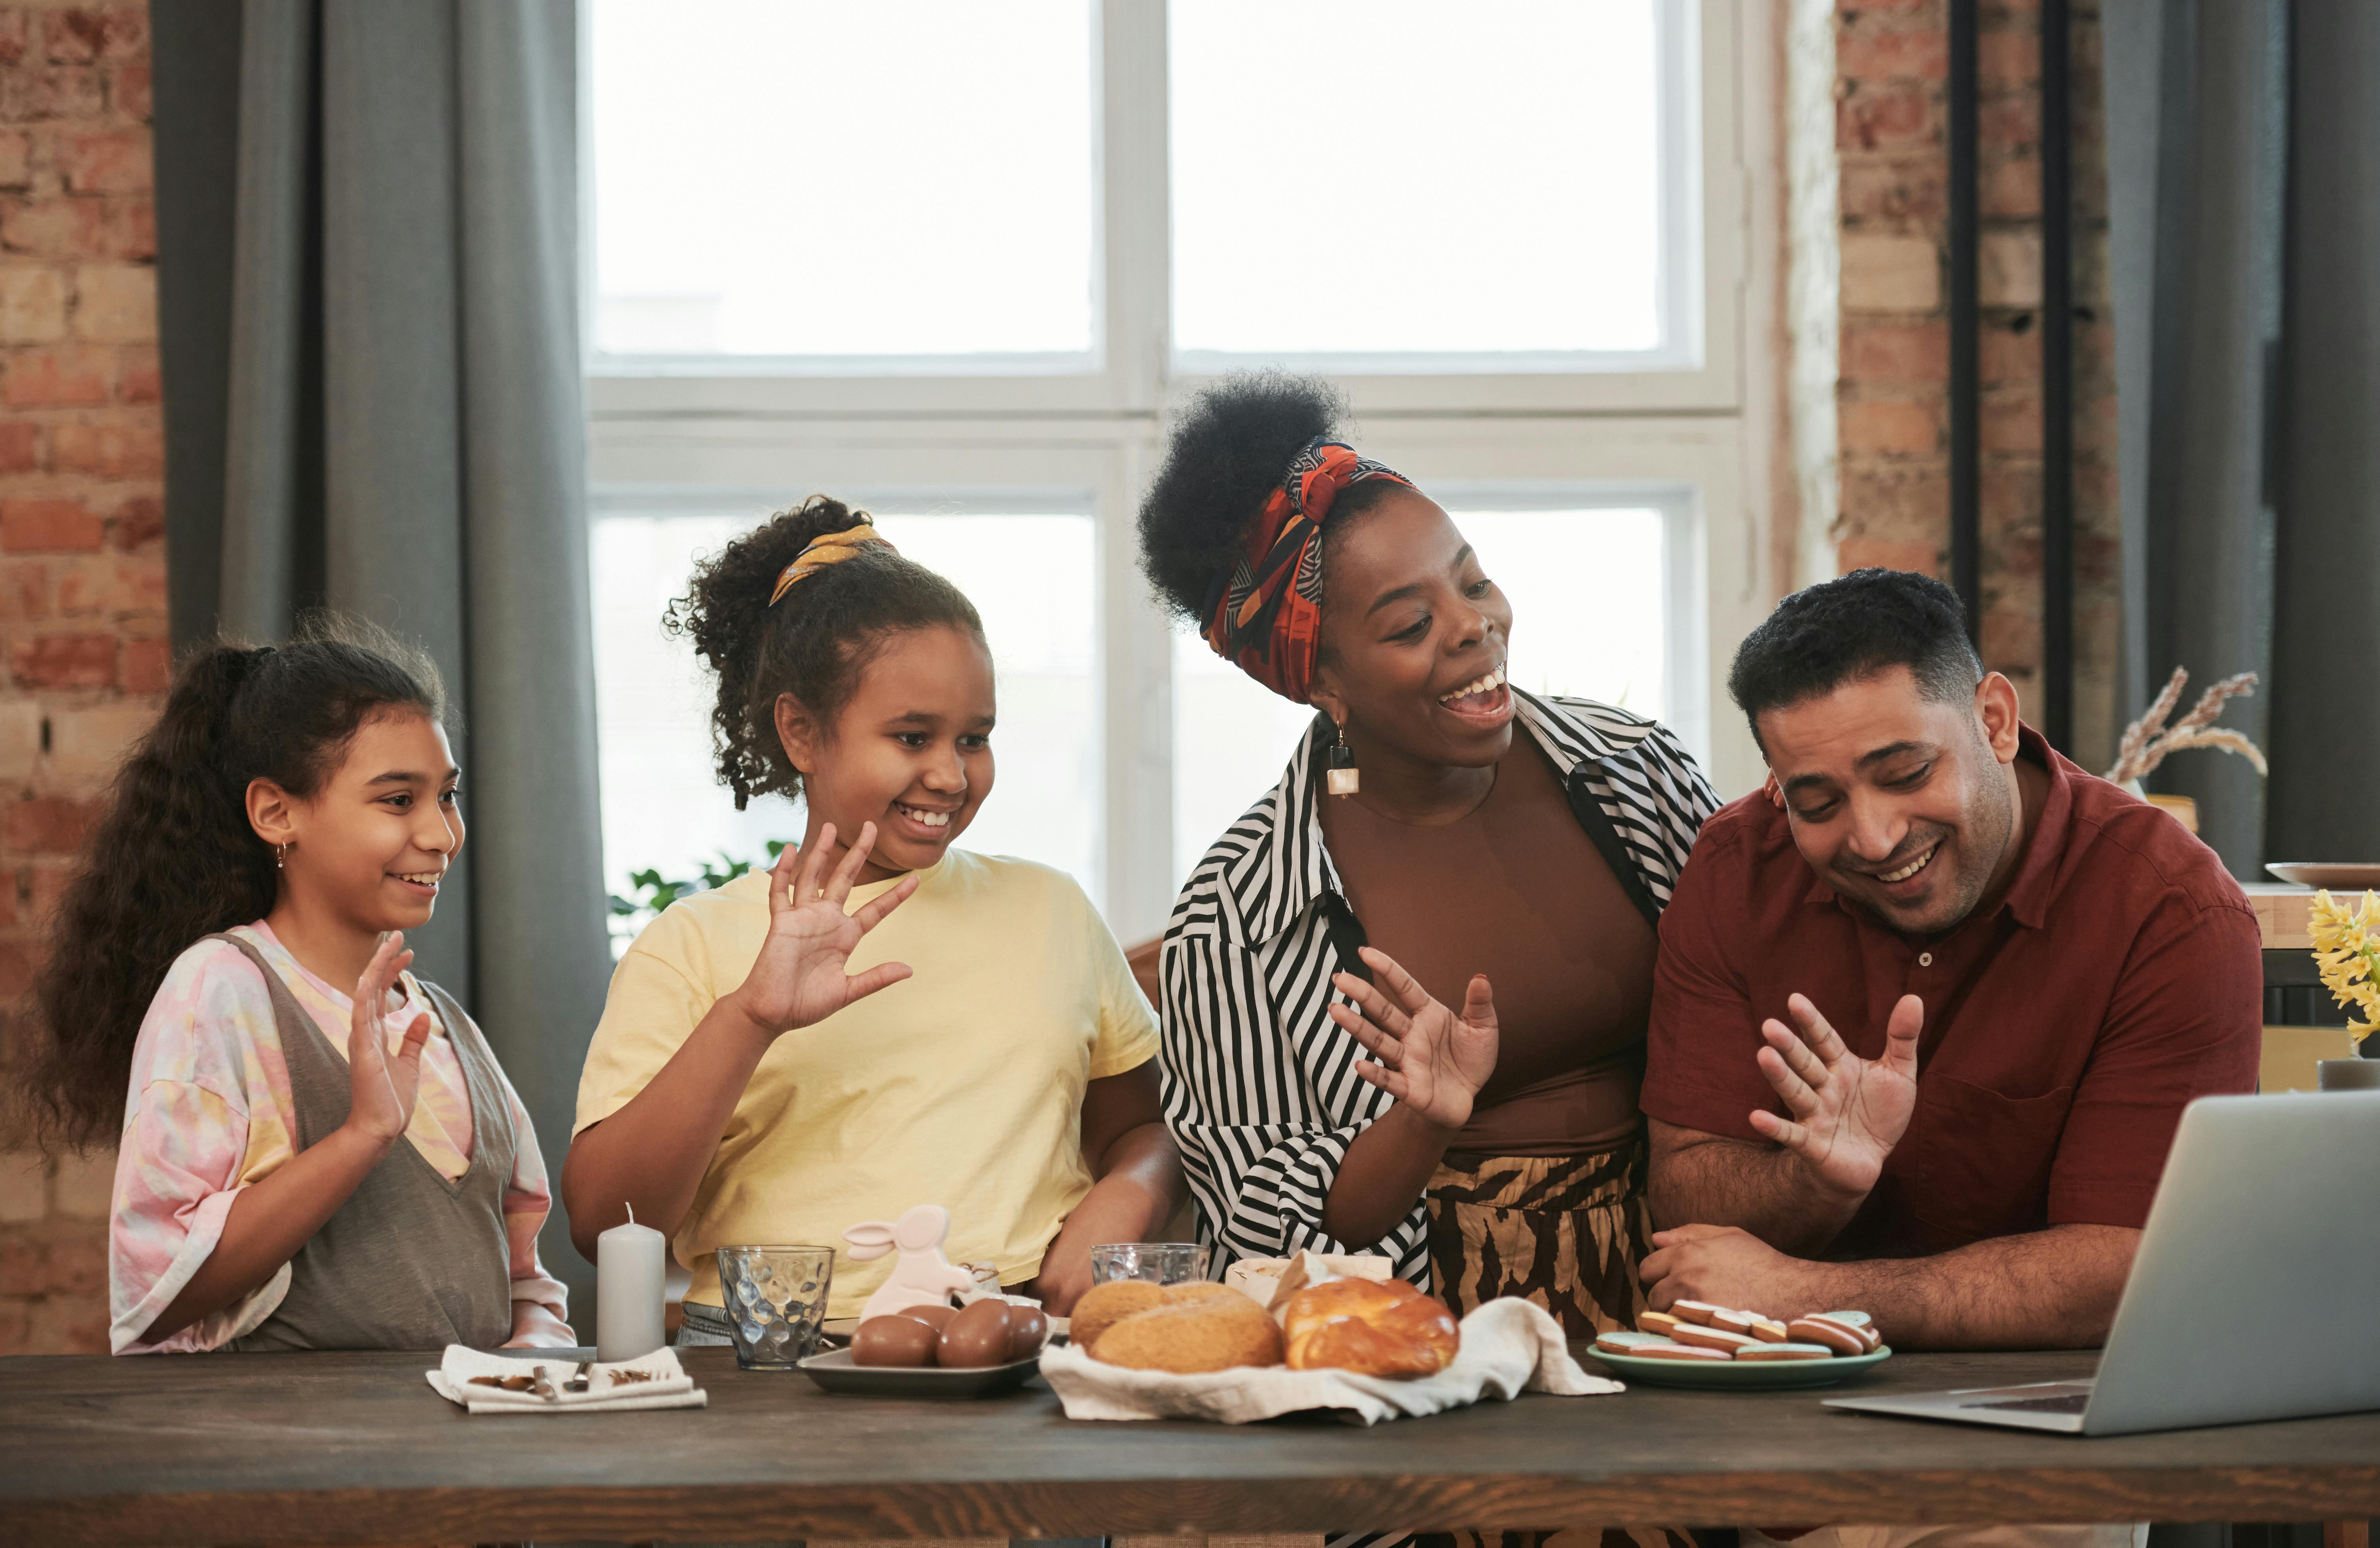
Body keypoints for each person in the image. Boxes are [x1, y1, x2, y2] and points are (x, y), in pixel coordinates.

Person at [1140, 374, 1720, 1339]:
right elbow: (1262, 1232)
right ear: (1321, 679)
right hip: (1416, 1341)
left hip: (1678, 1313)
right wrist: (1423, 1120)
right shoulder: (1237, 911)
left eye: (1474, 579)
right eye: (1410, 624)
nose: (1471, 625)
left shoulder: (1637, 774)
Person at [563, 497, 1182, 1331]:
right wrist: (751, 1017)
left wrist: (1125, 1194)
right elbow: (607, 1225)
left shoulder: (1052, 910)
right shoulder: (693, 943)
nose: (951, 775)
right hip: (768, 1366)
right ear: (802, 731)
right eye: (912, 736)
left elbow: (1141, 1127)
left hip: (1014, 1348)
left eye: (973, 738)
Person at [1639, 567, 2262, 1353]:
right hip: (1770, 1388)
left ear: (1996, 721)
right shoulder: (1738, 869)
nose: (1873, 838)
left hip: (2066, 1402)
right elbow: (1687, 1211)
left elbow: (2130, 1266)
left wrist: (1805, 1294)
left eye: (1904, 775)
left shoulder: (2171, 908)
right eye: (1819, 803)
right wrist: (1815, 1182)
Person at [18, 621, 572, 1353]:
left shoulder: (448, 1026)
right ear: (277, 814)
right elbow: (153, 1294)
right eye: (398, 800)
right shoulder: (221, 990)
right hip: (290, 1460)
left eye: (447, 797)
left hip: (462, 1459)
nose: (443, 835)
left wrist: (533, 1359)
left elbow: (525, 1283)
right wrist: (362, 1136)